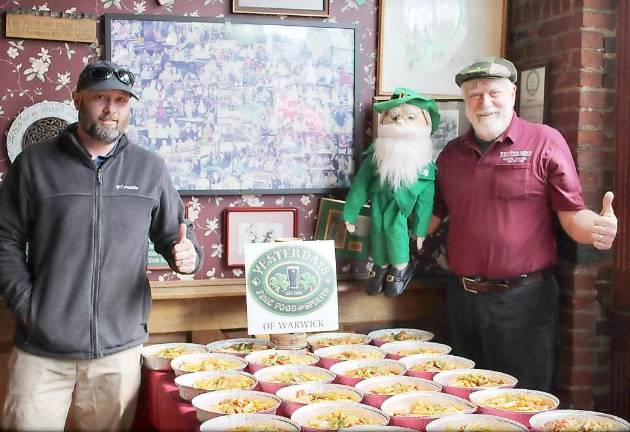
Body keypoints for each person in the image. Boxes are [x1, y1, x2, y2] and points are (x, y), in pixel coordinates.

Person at [0, 60, 203, 431]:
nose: (111, 109)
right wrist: (29, 306)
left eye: (121, 100)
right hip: (42, 350)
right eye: (100, 98)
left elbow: (175, 238)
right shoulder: (34, 165)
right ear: (78, 98)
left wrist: (189, 258)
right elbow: (4, 241)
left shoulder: (149, 168)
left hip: (118, 353)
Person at [429, 57, 617, 392]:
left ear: (513, 94)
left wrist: (597, 229)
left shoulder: (544, 141)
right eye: (473, 94)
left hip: (522, 302)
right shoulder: (451, 154)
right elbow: (432, 218)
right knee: (459, 400)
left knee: (520, 401)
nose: (484, 102)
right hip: (462, 299)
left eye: (493, 93)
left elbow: (572, 215)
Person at [343, 88, 440, 297]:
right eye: (394, 117)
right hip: (378, 201)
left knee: (395, 232)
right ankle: (381, 265)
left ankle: (400, 266)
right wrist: (349, 213)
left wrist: (420, 230)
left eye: (410, 117)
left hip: (401, 207)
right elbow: (360, 185)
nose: (401, 123)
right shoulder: (375, 156)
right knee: (377, 232)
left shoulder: (425, 165)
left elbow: (425, 201)